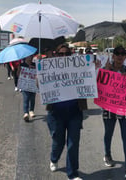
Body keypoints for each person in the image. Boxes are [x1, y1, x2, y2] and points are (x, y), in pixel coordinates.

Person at [46, 44, 84, 180]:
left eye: (66, 54)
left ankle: (72, 173)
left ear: (71, 55)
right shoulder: (49, 69)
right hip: (56, 113)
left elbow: (89, 80)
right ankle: (54, 158)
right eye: (60, 54)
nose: (63, 57)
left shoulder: (78, 68)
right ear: (56, 55)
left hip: (74, 111)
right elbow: (41, 85)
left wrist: (94, 68)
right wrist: (40, 73)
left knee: (73, 144)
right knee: (58, 142)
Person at [101, 45, 126, 180]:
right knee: (108, 133)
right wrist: (107, 72)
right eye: (118, 53)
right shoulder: (105, 69)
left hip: (125, 110)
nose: (120, 56)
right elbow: (100, 88)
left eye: (123, 54)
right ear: (113, 56)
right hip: (109, 109)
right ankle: (107, 154)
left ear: (125, 57)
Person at [17, 55, 36, 122]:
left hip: (33, 85)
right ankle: (26, 113)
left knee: (32, 98)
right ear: (26, 57)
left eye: (31, 57)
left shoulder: (34, 64)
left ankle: (31, 110)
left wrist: (33, 68)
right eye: (29, 57)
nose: (30, 58)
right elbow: (18, 74)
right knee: (26, 98)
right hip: (25, 85)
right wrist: (20, 70)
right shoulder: (22, 65)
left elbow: (38, 72)